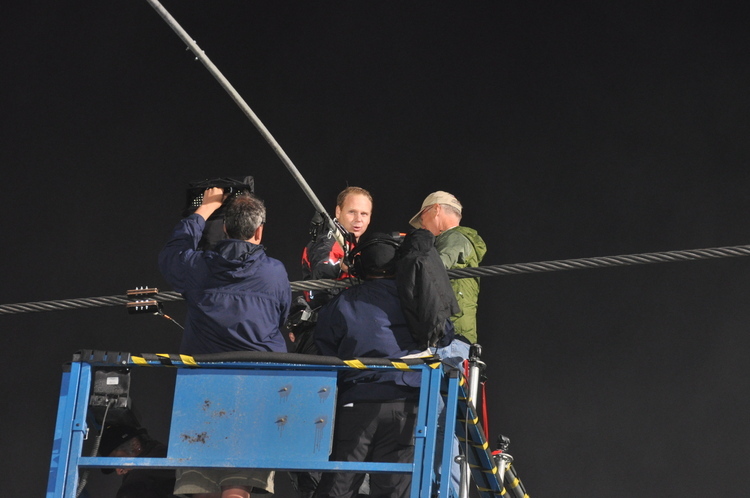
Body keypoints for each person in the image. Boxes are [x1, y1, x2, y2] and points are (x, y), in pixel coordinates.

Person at [159, 187, 291, 497]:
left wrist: (205, 209)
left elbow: (171, 255)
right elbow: (283, 315)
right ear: (259, 231)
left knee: (201, 483)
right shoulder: (274, 273)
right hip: (257, 388)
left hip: (202, 387)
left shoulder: (199, 267)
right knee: (238, 485)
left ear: (225, 229)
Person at [312, 233, 425, 498]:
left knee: (339, 486)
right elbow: (443, 332)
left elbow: (324, 345)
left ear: (359, 266)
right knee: (396, 490)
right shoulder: (413, 300)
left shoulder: (343, 301)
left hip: (356, 402)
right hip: (406, 403)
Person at [408, 191, 487, 365]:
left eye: (422, 217)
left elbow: (434, 269)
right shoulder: (460, 240)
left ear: (436, 209)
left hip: (449, 337)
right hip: (458, 336)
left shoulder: (454, 237)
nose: (422, 225)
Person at [99, 424, 178, 498]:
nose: (119, 472)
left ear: (135, 445)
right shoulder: (167, 454)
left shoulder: (136, 483)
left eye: (117, 460)